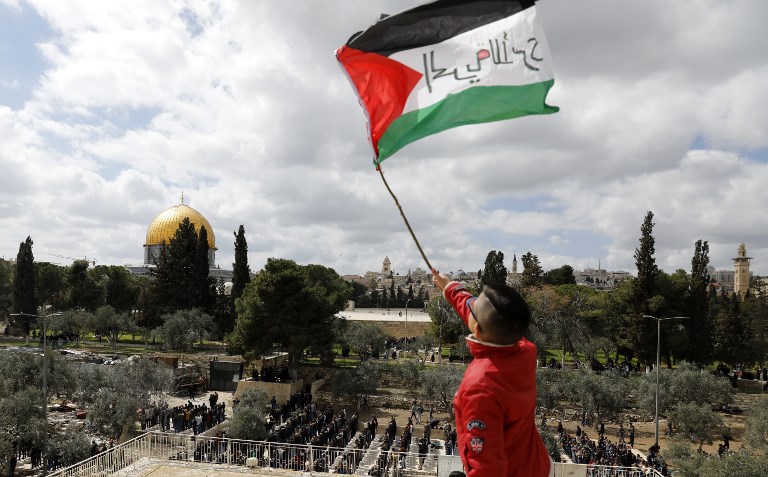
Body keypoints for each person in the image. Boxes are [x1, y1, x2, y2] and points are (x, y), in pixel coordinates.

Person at [432, 269, 552, 477]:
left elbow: (487, 469)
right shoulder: (524, 349)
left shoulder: (480, 387)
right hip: (535, 465)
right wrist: (450, 287)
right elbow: (476, 310)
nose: (470, 306)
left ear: (476, 329)